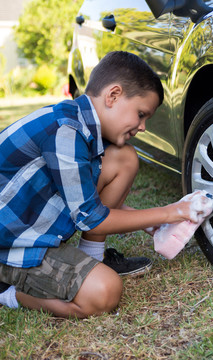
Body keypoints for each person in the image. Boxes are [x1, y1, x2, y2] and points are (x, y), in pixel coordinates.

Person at [0, 51, 201, 319]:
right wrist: (173, 212)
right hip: (10, 245)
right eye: (141, 114)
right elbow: (90, 218)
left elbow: (80, 196)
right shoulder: (66, 131)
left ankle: (92, 258)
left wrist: (149, 221)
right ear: (113, 95)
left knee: (124, 158)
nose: (143, 127)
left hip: (26, 227)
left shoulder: (78, 127)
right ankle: (7, 292)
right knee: (105, 292)